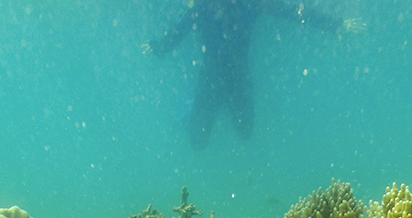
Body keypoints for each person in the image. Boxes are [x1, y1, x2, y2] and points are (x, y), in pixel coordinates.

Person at [145, 1, 363, 148]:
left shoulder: (249, 2)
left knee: (245, 132)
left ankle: (208, 107)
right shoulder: (202, 5)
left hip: (238, 77)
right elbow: (179, 30)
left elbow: (291, 12)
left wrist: (334, 25)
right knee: (197, 141)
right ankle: (191, 111)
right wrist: (158, 47)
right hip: (211, 79)